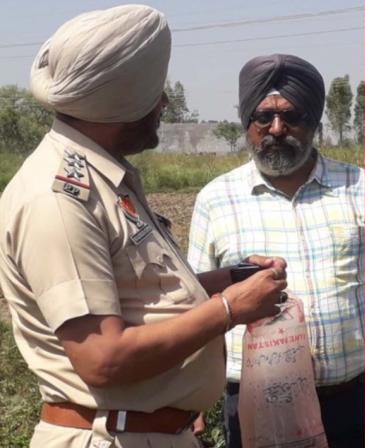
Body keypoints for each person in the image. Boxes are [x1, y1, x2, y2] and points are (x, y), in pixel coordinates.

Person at [0, 5, 289, 447]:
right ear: (123, 99)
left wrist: (228, 280)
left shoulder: (105, 178)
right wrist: (228, 309)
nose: (164, 103)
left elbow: (139, 293)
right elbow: (103, 359)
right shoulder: (58, 199)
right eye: (156, 92)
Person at [188, 54, 365, 447]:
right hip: (255, 406)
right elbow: (196, 302)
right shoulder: (216, 199)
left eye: (292, 117)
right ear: (247, 123)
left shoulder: (359, 187)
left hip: (354, 403)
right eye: (263, 117)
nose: (277, 129)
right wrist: (192, 399)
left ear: (315, 123)